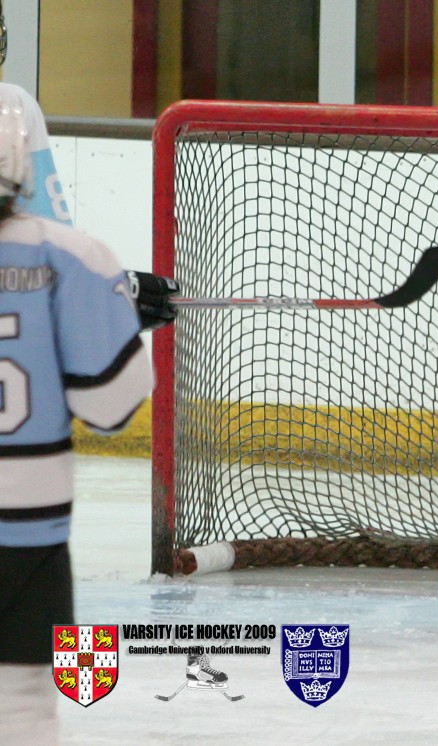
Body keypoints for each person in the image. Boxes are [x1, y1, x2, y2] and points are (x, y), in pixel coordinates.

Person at [0, 92, 167, 742]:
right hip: (29, 534)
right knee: (24, 708)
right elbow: (111, 406)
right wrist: (110, 308)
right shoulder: (67, 259)